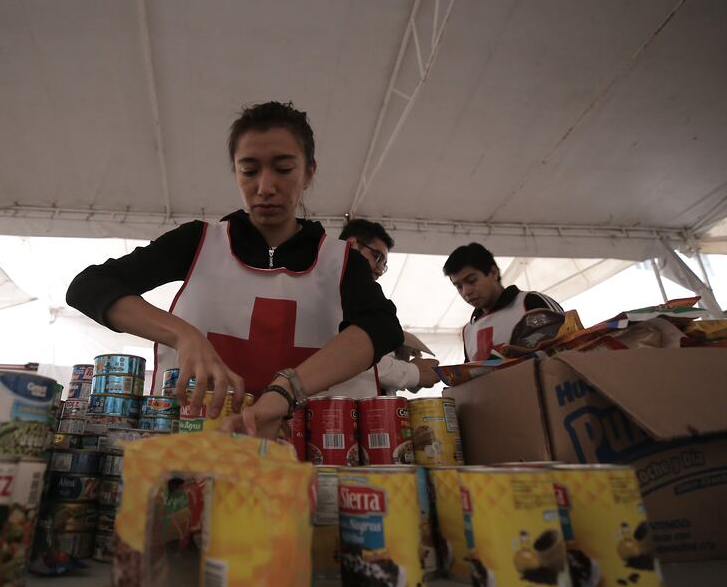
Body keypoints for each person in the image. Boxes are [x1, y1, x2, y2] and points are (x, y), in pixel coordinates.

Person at [67, 101, 403, 438]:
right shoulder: (197, 241)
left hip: (302, 456)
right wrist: (183, 335)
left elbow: (383, 328)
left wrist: (287, 388)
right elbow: (88, 286)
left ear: (309, 172)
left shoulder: (341, 261)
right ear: (235, 171)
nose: (265, 187)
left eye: (283, 169)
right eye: (249, 170)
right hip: (198, 447)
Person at [339, 218, 440, 393]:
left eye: (383, 265)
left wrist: (392, 352)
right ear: (352, 245)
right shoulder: (333, 290)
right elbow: (349, 358)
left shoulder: (358, 295)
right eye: (377, 257)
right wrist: (414, 373)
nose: (379, 270)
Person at [444, 242, 564, 361]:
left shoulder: (529, 302)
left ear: (493, 273)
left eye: (471, 281)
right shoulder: (468, 331)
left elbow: (569, 351)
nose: (466, 291)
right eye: (458, 286)